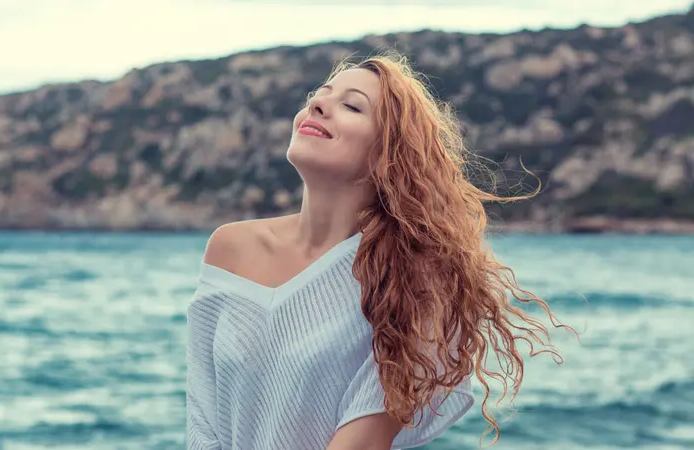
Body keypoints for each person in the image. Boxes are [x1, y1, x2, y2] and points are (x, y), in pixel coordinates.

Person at [186, 51, 572, 450]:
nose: (316, 105)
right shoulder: (230, 249)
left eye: (352, 106)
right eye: (318, 95)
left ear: (387, 154)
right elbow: (203, 423)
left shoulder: (414, 283)